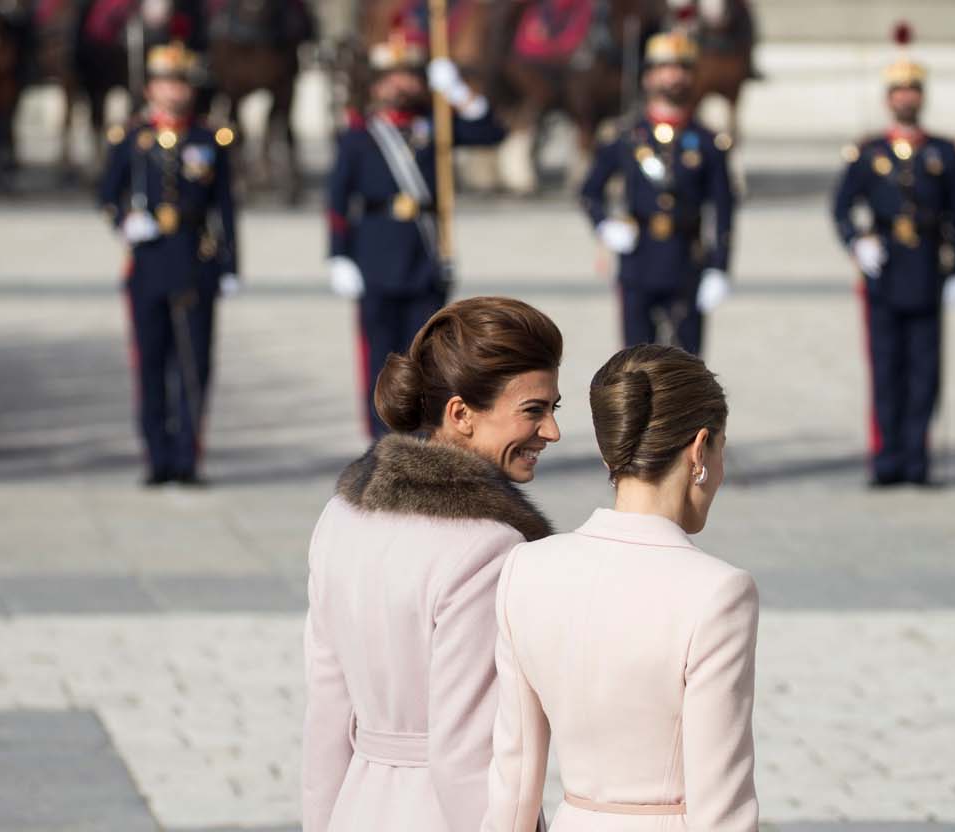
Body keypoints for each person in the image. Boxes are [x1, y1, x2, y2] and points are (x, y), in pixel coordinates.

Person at [302, 296, 561, 832]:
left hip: (357, 807)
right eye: (534, 410)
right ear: (461, 413)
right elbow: (470, 756)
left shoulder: (339, 518)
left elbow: (326, 720)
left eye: (553, 409)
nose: (552, 431)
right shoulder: (488, 548)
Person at [482, 343, 759, 832]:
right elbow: (722, 804)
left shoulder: (525, 568)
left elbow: (512, 780)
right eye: (719, 450)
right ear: (699, 449)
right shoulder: (718, 593)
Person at [326, 23, 505, 439]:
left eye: (408, 75)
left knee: (427, 359)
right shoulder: (360, 136)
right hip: (374, 253)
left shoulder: (437, 124)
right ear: (376, 85)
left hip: (425, 255)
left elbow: (490, 131)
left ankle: (423, 439)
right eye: (391, 77)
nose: (400, 84)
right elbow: (337, 201)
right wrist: (338, 254)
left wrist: (457, 90)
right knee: (380, 359)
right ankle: (382, 439)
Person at [832, 23, 955, 488]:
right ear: (888, 98)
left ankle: (917, 458)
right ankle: (886, 459)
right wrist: (857, 239)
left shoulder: (943, 154)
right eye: (899, 90)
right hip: (885, 268)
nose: (906, 98)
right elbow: (840, 205)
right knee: (887, 368)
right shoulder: (868, 152)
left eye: (913, 90)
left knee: (925, 371)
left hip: (929, 267)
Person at [98, 42, 239, 487]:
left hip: (196, 261)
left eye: (181, 83)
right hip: (148, 262)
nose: (173, 92)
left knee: (195, 364)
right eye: (165, 83)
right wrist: (125, 222)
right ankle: (157, 456)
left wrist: (232, 264)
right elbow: (106, 194)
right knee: (152, 363)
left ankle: (188, 457)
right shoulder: (130, 138)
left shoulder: (210, 139)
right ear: (150, 87)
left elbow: (226, 208)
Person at [579, 26, 736, 356]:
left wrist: (719, 267)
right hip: (639, 258)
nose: (674, 76)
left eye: (682, 68)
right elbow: (590, 190)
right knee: (635, 365)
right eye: (665, 68)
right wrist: (604, 225)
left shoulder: (709, 143)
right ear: (648, 77)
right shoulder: (626, 137)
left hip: (687, 260)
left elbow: (723, 209)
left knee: (687, 369)